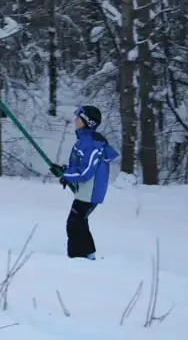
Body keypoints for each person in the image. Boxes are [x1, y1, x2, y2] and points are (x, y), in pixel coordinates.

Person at [49, 105, 119, 260]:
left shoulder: (93, 143)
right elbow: (80, 166)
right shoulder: (85, 140)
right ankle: (87, 254)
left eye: (79, 118)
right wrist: (65, 170)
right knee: (79, 221)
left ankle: (78, 257)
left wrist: (66, 175)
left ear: (88, 122)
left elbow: (86, 172)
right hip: (85, 191)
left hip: (90, 191)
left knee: (75, 223)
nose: (75, 120)